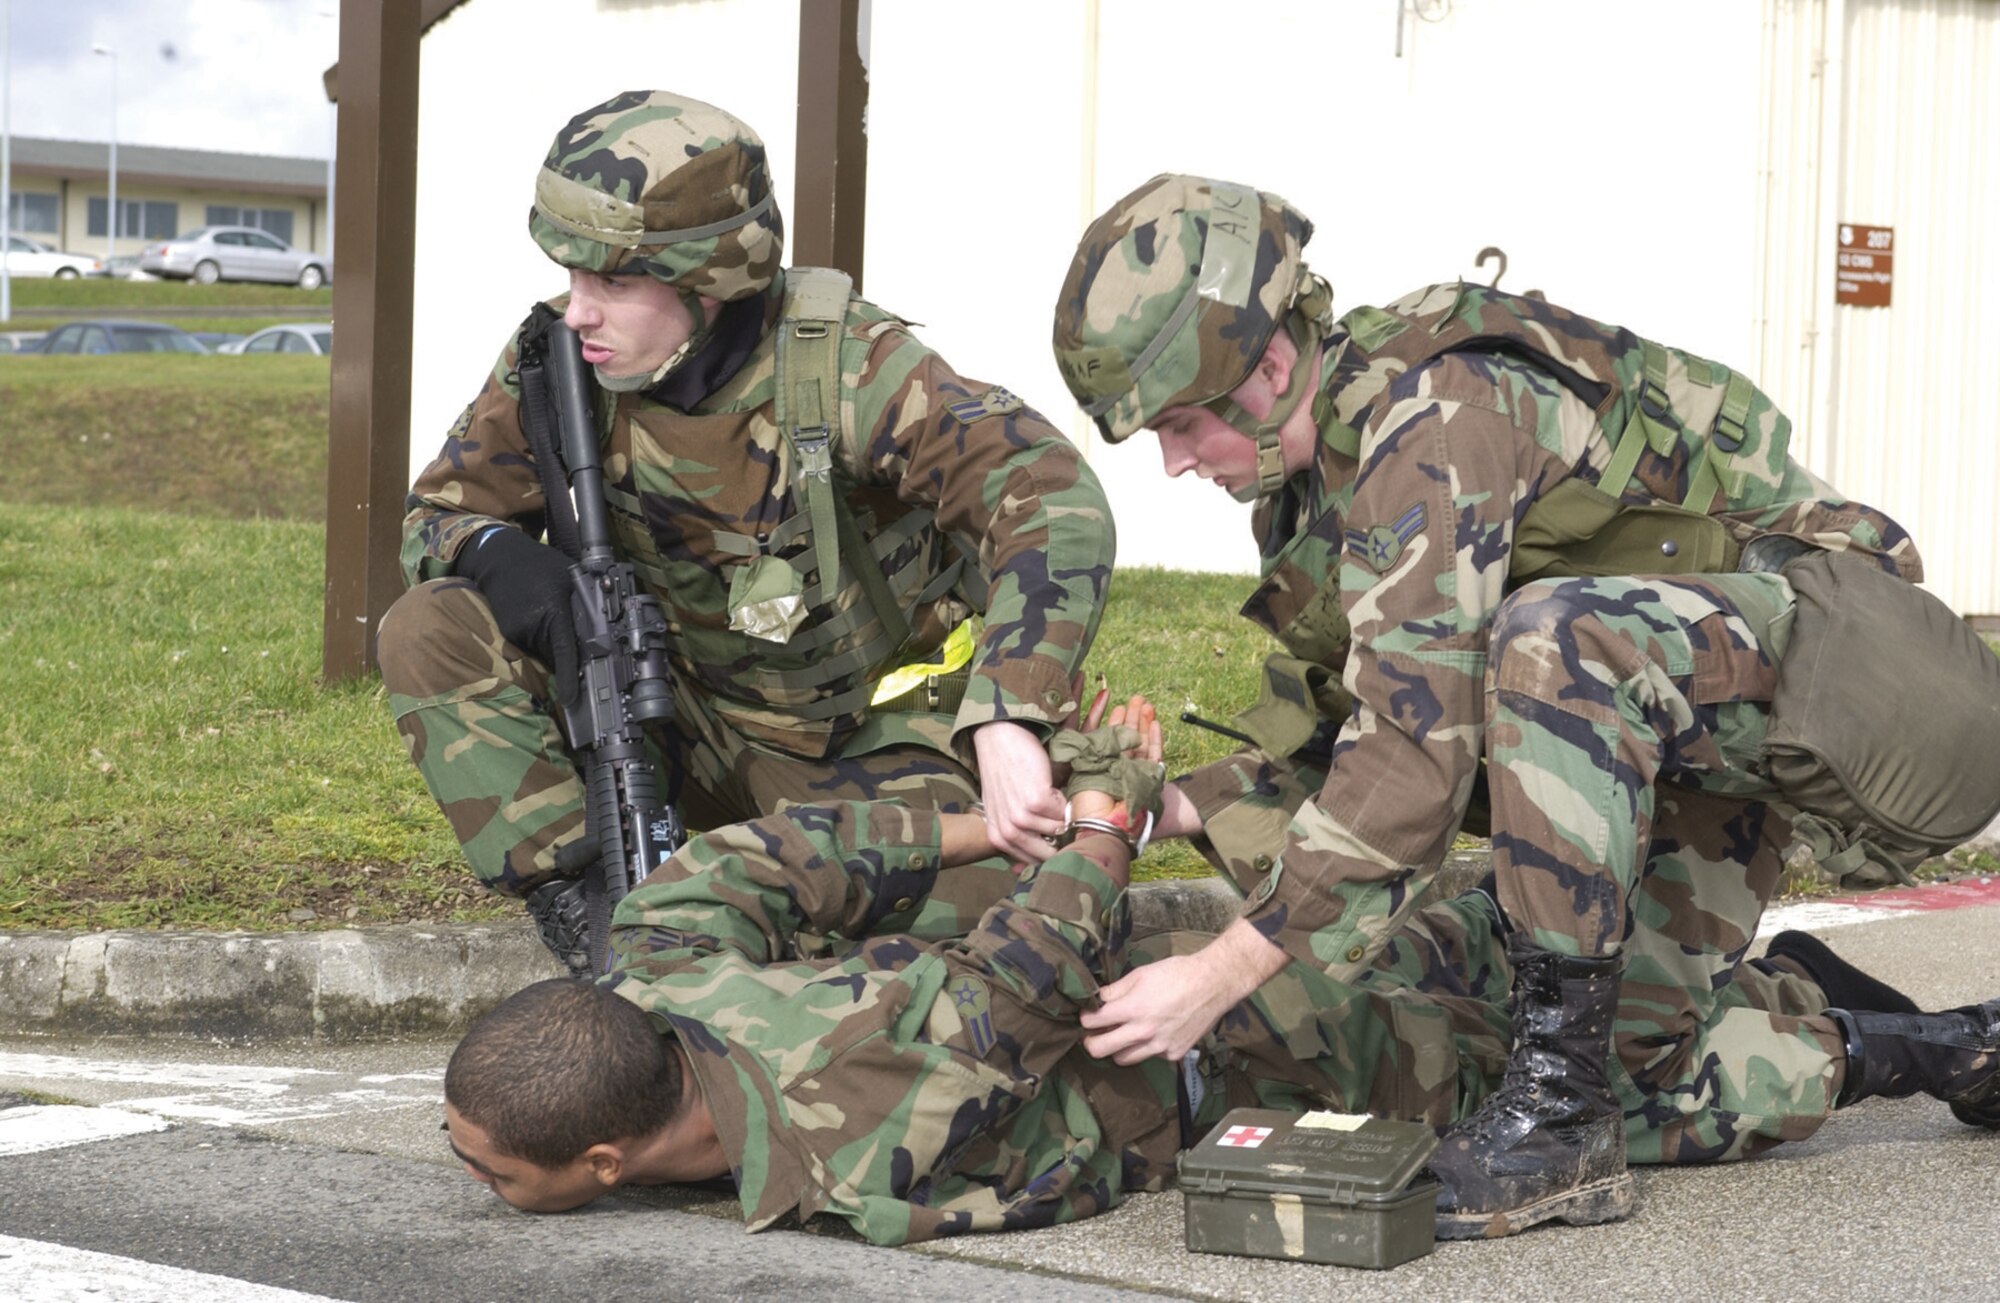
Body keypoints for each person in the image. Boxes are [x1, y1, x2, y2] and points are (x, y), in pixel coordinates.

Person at [1047, 174, 1995, 1237]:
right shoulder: (1310, 493)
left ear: (1267, 369)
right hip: (1657, 743)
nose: (1174, 463)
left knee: (1547, 636)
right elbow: (1361, 737)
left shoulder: (1438, 423)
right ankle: (1938, 1042)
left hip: (1842, 682)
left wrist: (1220, 969)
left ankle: (1558, 1124)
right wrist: (1168, 808)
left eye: (1179, 425)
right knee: (1645, 1077)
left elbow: (1417, 761)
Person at [439, 713, 2000, 1241]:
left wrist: (1048, 826)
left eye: (484, 1160)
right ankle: (1865, 1016)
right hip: (1229, 1023)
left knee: (1619, 1075)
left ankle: (1872, 1027)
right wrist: (1026, 833)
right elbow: (786, 881)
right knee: (1498, 962)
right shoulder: (712, 1018)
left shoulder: (837, 1124)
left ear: (600, 1160)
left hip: (1256, 1051)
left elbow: (995, 968)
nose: (465, 1163)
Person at [377, 92, 1115, 974]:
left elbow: (1049, 496)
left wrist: (1007, 714)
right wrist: (508, 565)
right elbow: (438, 516)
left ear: (709, 279)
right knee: (428, 625)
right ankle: (596, 908)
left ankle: (749, 914)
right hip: (668, 719)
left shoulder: (842, 366)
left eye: (612, 281)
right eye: (571, 276)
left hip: (852, 751)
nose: (578, 311)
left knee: (1018, 896)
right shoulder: (560, 363)